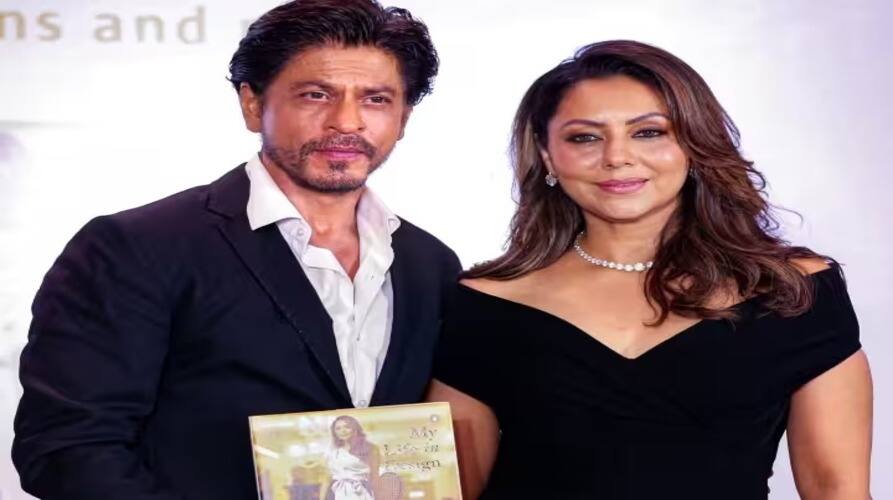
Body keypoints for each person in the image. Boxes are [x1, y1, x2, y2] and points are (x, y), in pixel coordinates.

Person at [12, 1, 459, 499]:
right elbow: (68, 447)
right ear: (252, 104)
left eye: (376, 99)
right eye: (316, 95)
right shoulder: (138, 247)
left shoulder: (431, 264)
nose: (346, 121)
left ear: (403, 117)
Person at [428, 40, 872, 499]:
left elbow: (837, 489)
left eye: (648, 132)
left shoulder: (792, 291)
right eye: (585, 137)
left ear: (693, 144)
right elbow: (444, 491)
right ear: (546, 155)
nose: (616, 156)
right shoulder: (486, 304)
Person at [320, 416, 380, 500]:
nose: (343, 431)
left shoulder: (370, 448)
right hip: (338, 493)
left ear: (355, 428)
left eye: (347, 427)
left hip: (362, 492)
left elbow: (375, 476)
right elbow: (326, 479)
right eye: (338, 428)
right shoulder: (332, 452)